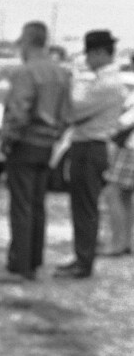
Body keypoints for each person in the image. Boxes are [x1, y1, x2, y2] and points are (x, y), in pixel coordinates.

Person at [0, 21, 72, 284]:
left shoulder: (26, 72)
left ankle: (20, 265)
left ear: (27, 41)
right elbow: (68, 114)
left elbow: (19, 110)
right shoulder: (61, 72)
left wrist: (8, 139)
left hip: (26, 142)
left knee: (21, 205)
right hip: (46, 145)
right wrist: (54, 134)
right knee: (37, 204)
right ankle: (34, 259)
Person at [54, 29, 126, 280]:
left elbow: (74, 110)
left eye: (89, 54)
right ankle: (82, 257)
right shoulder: (102, 80)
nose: (86, 60)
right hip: (89, 145)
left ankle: (83, 261)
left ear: (99, 53)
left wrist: (71, 81)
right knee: (83, 205)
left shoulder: (105, 84)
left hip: (91, 145)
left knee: (84, 206)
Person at [100, 89, 134, 257]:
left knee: (113, 193)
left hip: (130, 149)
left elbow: (124, 121)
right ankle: (126, 242)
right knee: (125, 195)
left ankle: (117, 243)